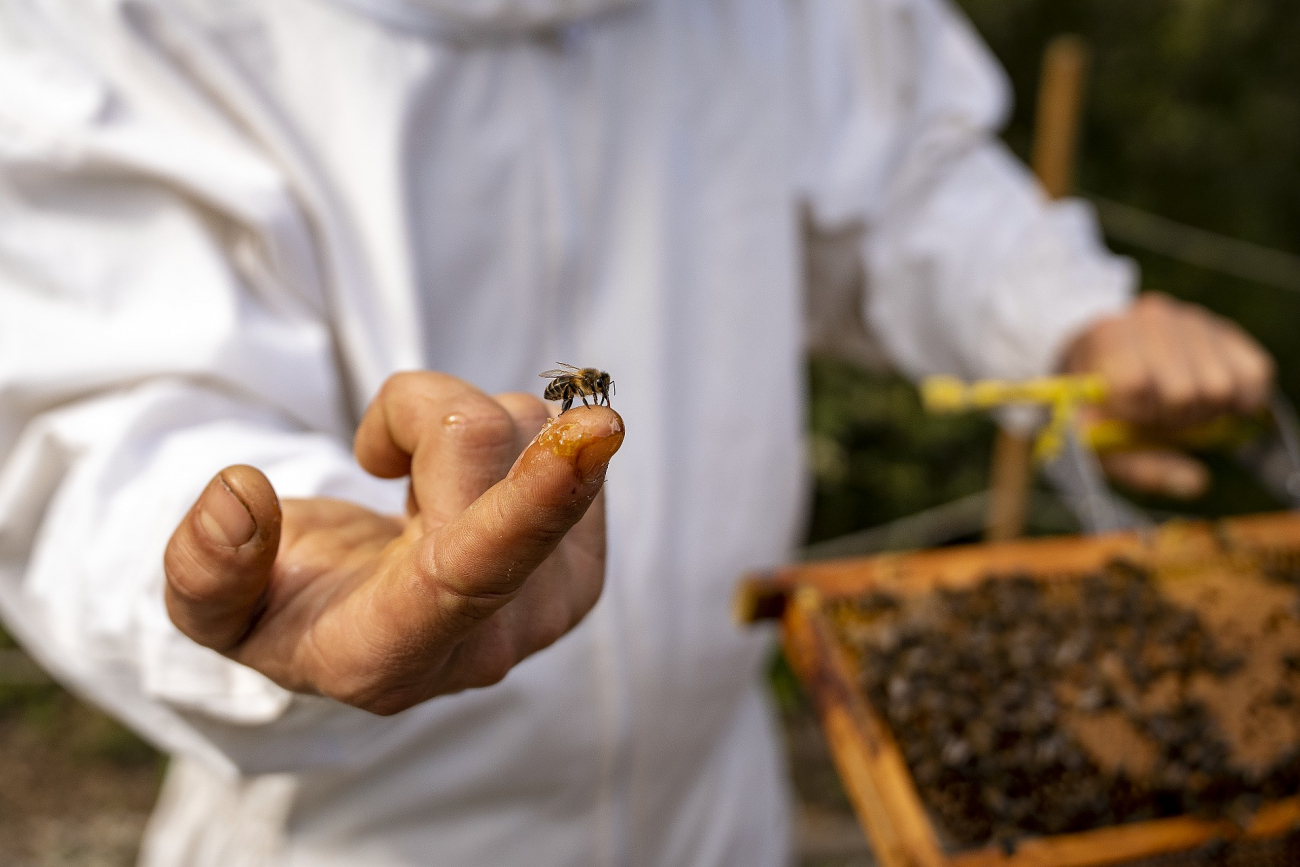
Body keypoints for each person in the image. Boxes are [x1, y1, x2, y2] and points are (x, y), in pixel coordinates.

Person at [0, 0, 1273, 864]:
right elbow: (93, 386)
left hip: (718, 808)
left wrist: (1063, 320)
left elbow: (902, 184)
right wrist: (283, 543)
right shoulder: (120, 29)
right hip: (360, 830)